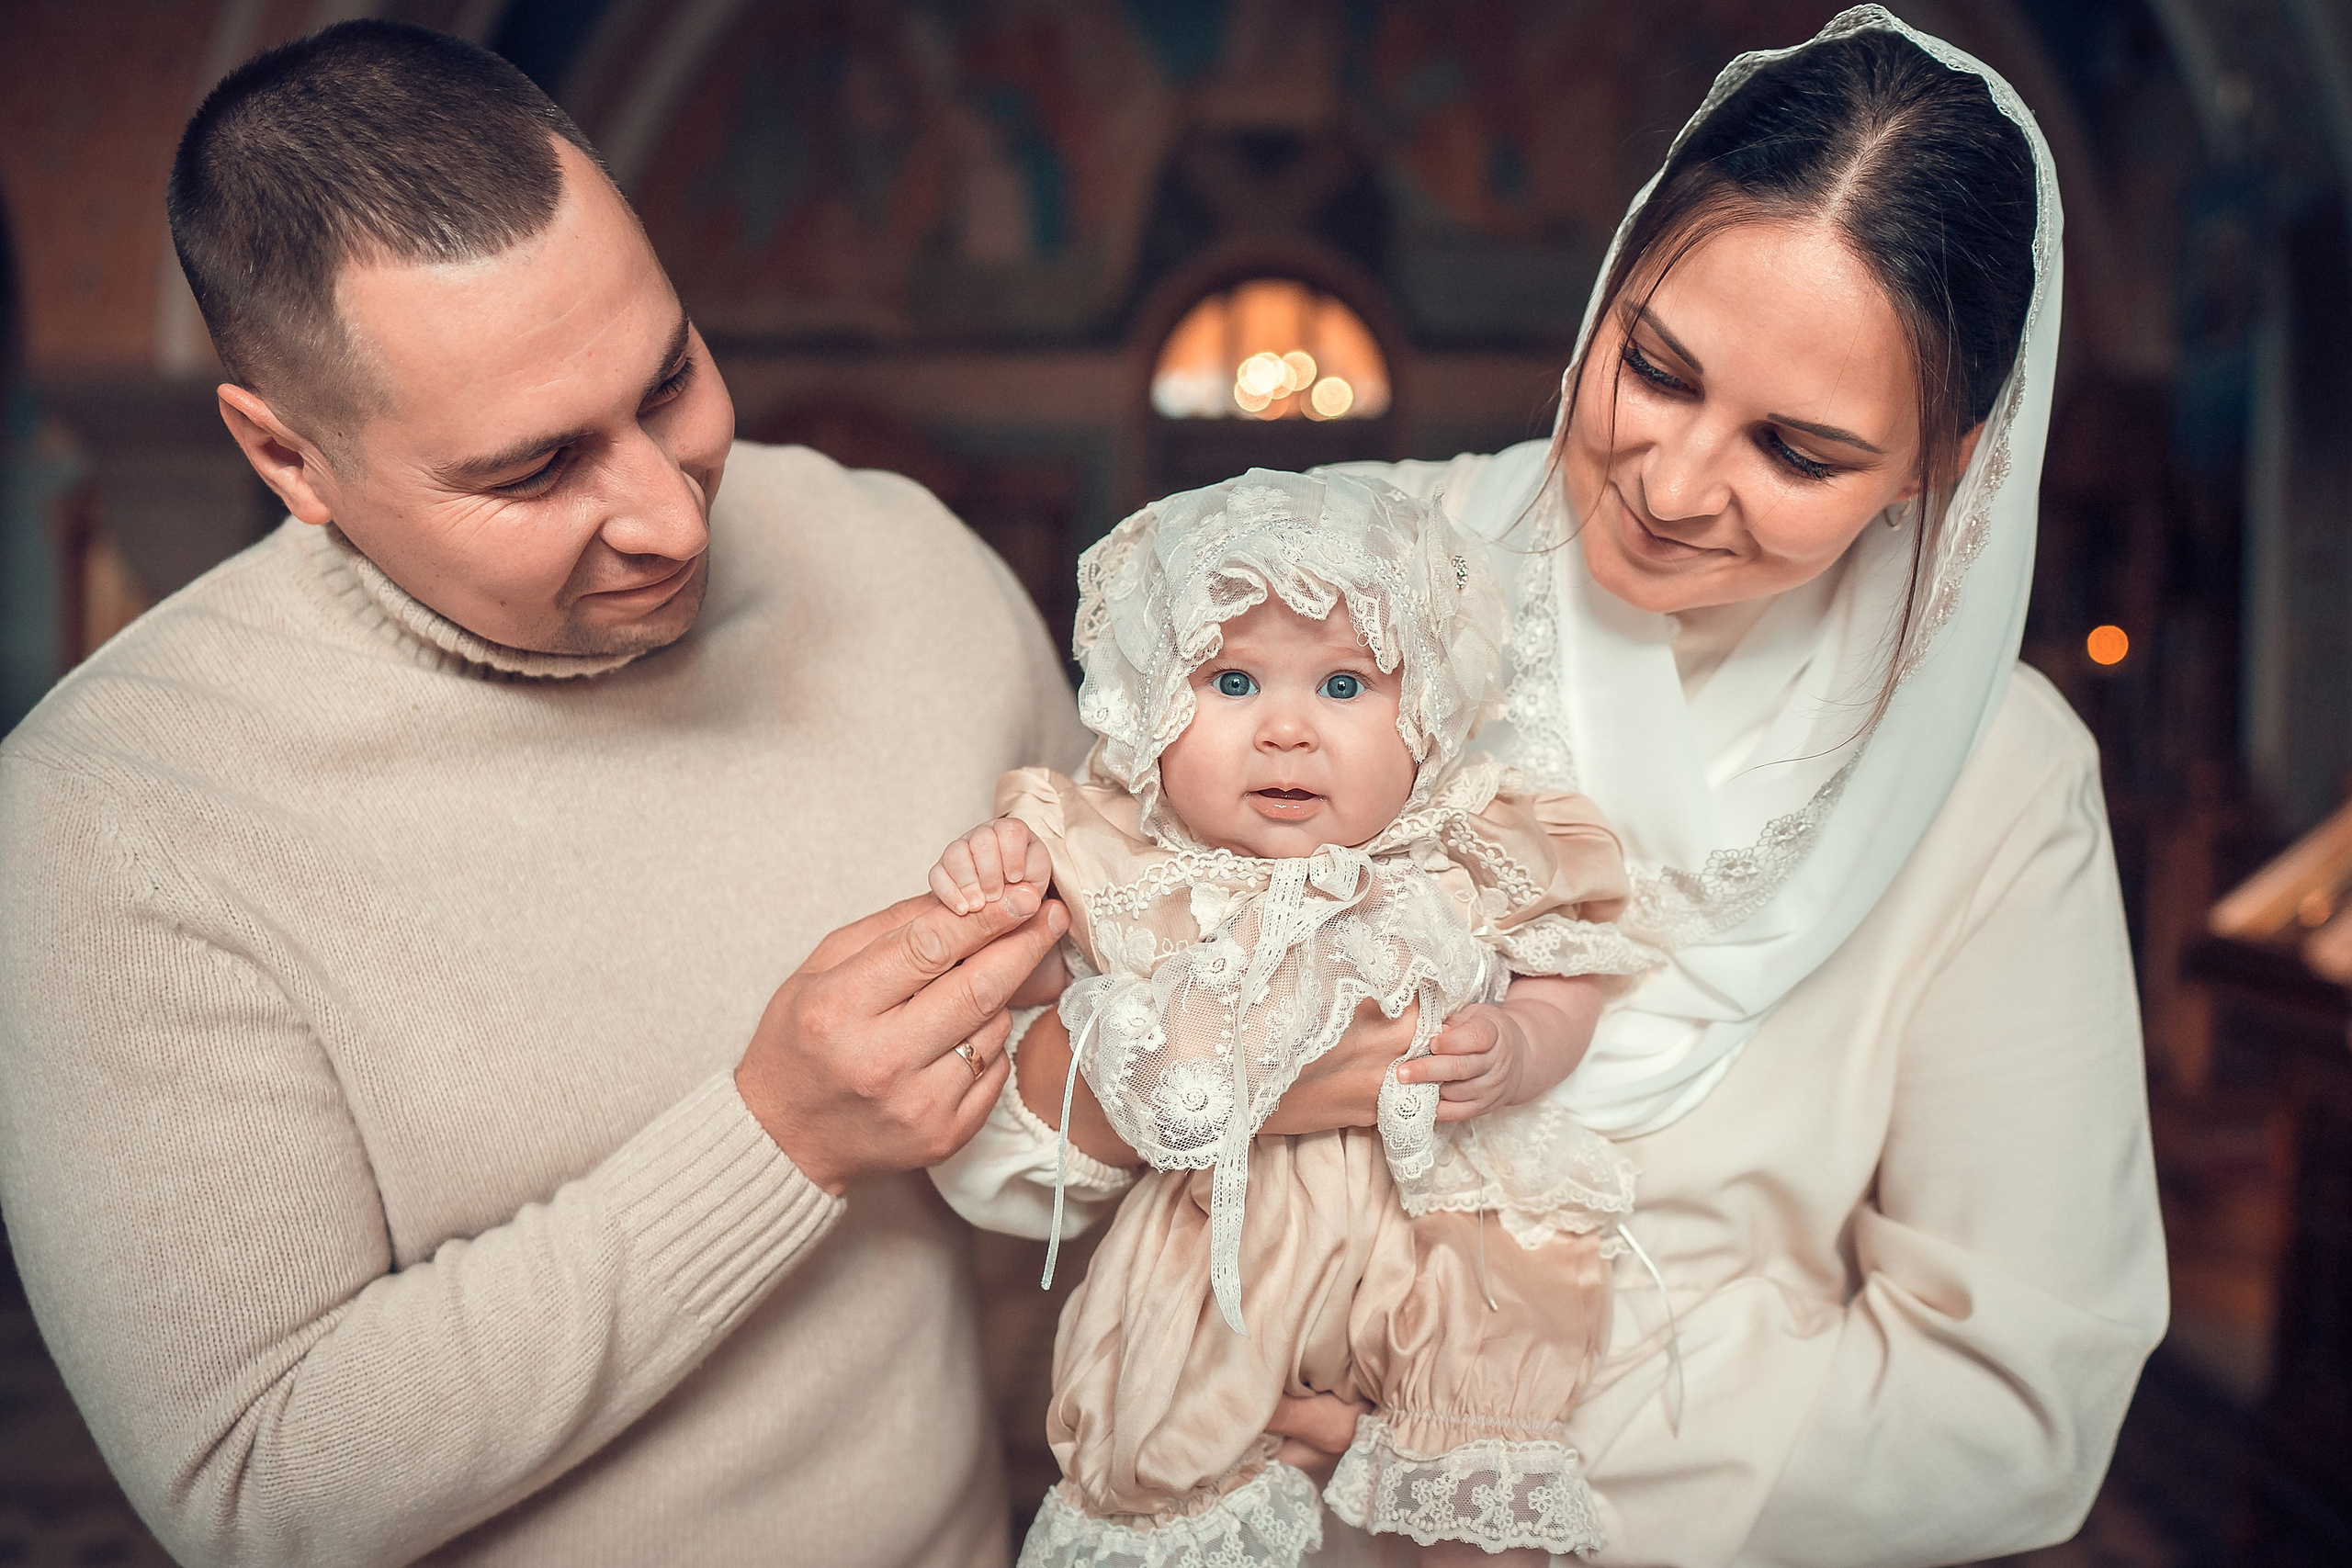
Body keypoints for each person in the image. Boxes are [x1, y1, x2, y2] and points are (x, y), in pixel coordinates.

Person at [935, 9, 2169, 1564]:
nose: (1671, 481)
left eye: (1798, 452)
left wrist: (1489, 1432)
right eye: (1654, 366)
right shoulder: (1333, 582)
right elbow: (995, 1137)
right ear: (1617, 265)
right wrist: (1281, 1068)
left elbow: (2020, 1413)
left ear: (1941, 464)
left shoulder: (2000, 775)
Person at [0, 22, 1081, 1568]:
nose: (670, 513)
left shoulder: (907, 562)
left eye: (672, 377)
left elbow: (1105, 1090)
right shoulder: (117, 819)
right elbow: (254, 1484)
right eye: (535, 469)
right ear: (286, 456)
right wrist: (778, 1137)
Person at [933, 470, 1654, 1564]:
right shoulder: (1132, 853)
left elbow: (1566, 970)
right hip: (1221, 1250)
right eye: (1229, 681)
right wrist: (996, 877)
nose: (1284, 732)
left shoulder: (1465, 843)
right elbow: (1041, 997)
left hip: (1439, 1232)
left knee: (1476, 1449)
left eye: (1345, 686)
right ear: (1152, 712)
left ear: (1428, 718)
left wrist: (1517, 1048)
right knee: (1166, 1444)